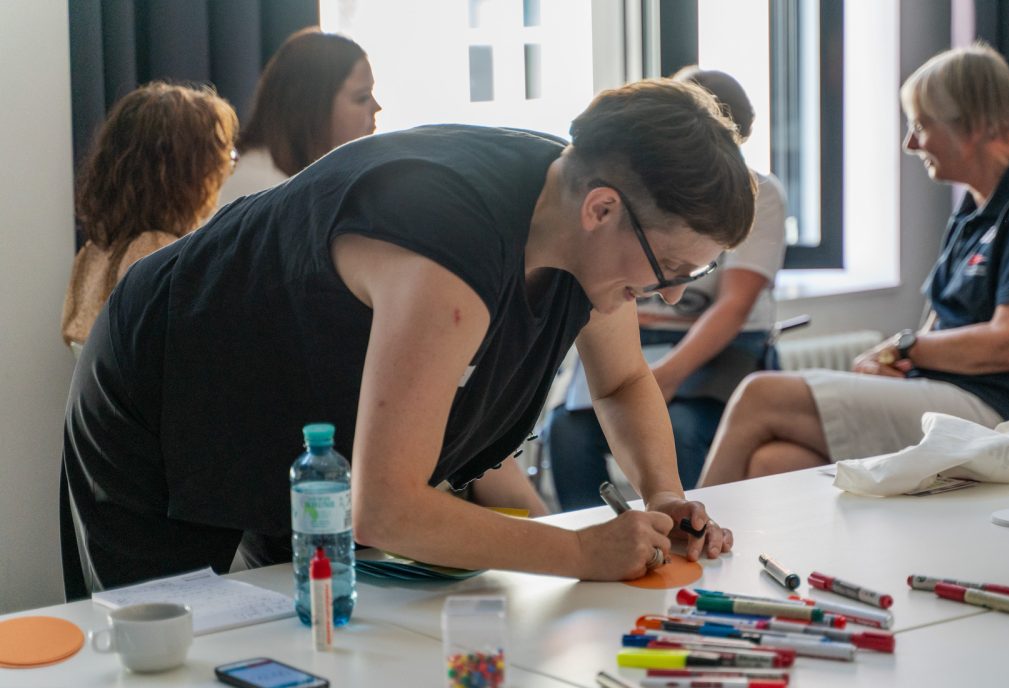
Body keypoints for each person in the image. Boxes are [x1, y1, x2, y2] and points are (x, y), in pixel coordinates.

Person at [63, 79, 755, 592]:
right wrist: (579, 552)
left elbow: (624, 380)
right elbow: (387, 509)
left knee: (307, 638)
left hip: (293, 409)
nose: (669, 292)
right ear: (602, 209)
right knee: (169, 649)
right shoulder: (447, 249)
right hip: (163, 379)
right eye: (670, 268)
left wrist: (663, 494)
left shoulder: (588, 229)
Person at [699, 42, 1009, 486]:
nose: (910, 143)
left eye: (921, 126)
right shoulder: (972, 212)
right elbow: (939, 327)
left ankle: (680, 541)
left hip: (1008, 416)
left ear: (974, 125)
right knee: (772, 462)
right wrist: (898, 364)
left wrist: (904, 349)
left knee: (759, 395)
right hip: (954, 399)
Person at [545, 67, 786, 510]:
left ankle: (695, 527)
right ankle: (599, 533)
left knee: (682, 428)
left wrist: (666, 376)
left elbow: (733, 307)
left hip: (711, 347)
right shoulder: (618, 206)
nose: (669, 292)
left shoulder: (761, 194)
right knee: (566, 430)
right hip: (645, 339)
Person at [60, 82, 238, 349]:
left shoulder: (91, 254)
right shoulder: (160, 254)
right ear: (183, 172)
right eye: (220, 157)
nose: (225, 169)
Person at [215, 28, 380, 208]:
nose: (377, 107)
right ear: (312, 104)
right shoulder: (261, 189)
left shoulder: (311, 185)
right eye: (362, 97)